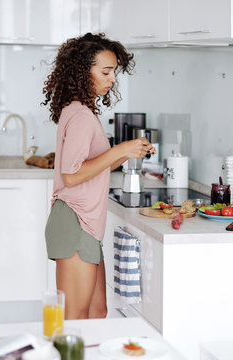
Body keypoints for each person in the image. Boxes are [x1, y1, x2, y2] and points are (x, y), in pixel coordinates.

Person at [42, 33, 155, 319]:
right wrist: (120, 149)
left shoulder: (81, 110)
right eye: (106, 71)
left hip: (87, 225)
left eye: (114, 71)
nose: (113, 78)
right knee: (75, 319)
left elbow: (90, 165)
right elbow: (71, 175)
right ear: (83, 71)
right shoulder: (80, 114)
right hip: (75, 222)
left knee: (97, 312)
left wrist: (126, 153)